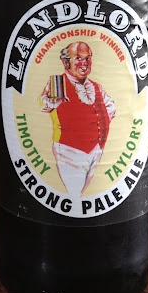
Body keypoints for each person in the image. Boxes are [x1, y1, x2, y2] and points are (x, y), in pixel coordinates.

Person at [40, 42, 116, 196]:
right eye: (79, 59)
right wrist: (53, 102)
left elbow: (110, 107)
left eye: (88, 59)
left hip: (97, 148)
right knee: (73, 194)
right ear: (66, 63)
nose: (84, 64)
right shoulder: (58, 83)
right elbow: (44, 102)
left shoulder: (96, 86)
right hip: (70, 150)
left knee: (86, 193)